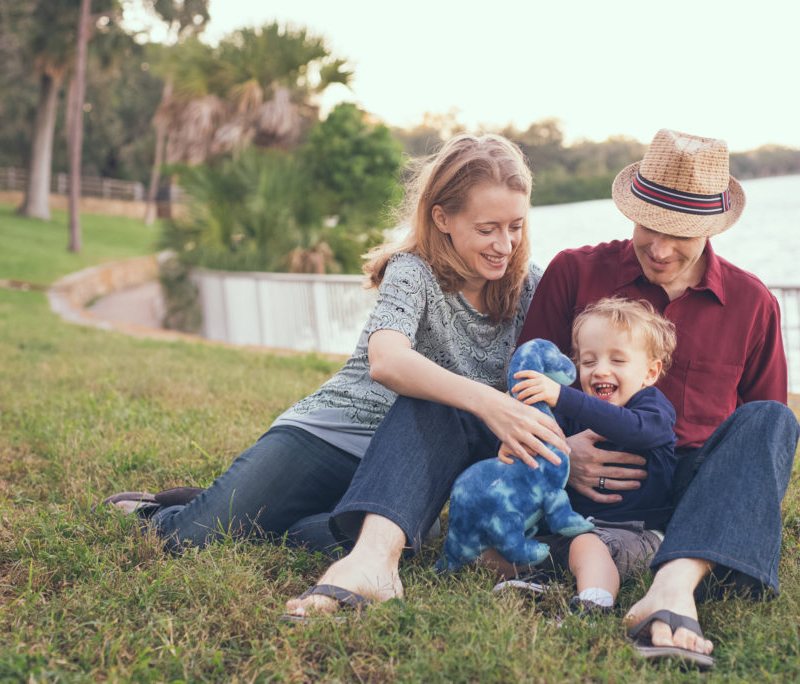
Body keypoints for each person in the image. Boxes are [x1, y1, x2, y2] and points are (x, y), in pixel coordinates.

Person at [102, 133, 567, 561]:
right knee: (194, 541)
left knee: (389, 550)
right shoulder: (414, 271)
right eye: (487, 229)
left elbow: (566, 376)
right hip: (330, 434)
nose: (504, 245)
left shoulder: (531, 287)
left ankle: (256, 511)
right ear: (441, 217)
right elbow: (387, 361)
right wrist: (490, 404)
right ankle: (165, 512)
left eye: (515, 226)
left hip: (404, 467)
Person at [518, 128, 800, 668]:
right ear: (633, 209)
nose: (661, 248)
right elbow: (525, 386)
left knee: (772, 419)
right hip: (585, 484)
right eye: (650, 227)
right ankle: (663, 563)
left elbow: (763, 442)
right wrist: (562, 449)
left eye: (681, 235)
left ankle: (672, 587)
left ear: (711, 229)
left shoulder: (751, 302)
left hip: (692, 484)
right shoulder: (574, 272)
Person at [497, 296, 678, 615]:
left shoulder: (651, 408)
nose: (600, 371)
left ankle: (595, 603)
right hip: (570, 531)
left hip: (635, 535)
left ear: (650, 372)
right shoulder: (570, 413)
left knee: (586, 545)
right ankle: (540, 581)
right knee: (495, 546)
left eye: (617, 361)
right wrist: (518, 447)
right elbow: (543, 450)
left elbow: (634, 430)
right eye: (589, 361)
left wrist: (562, 395)